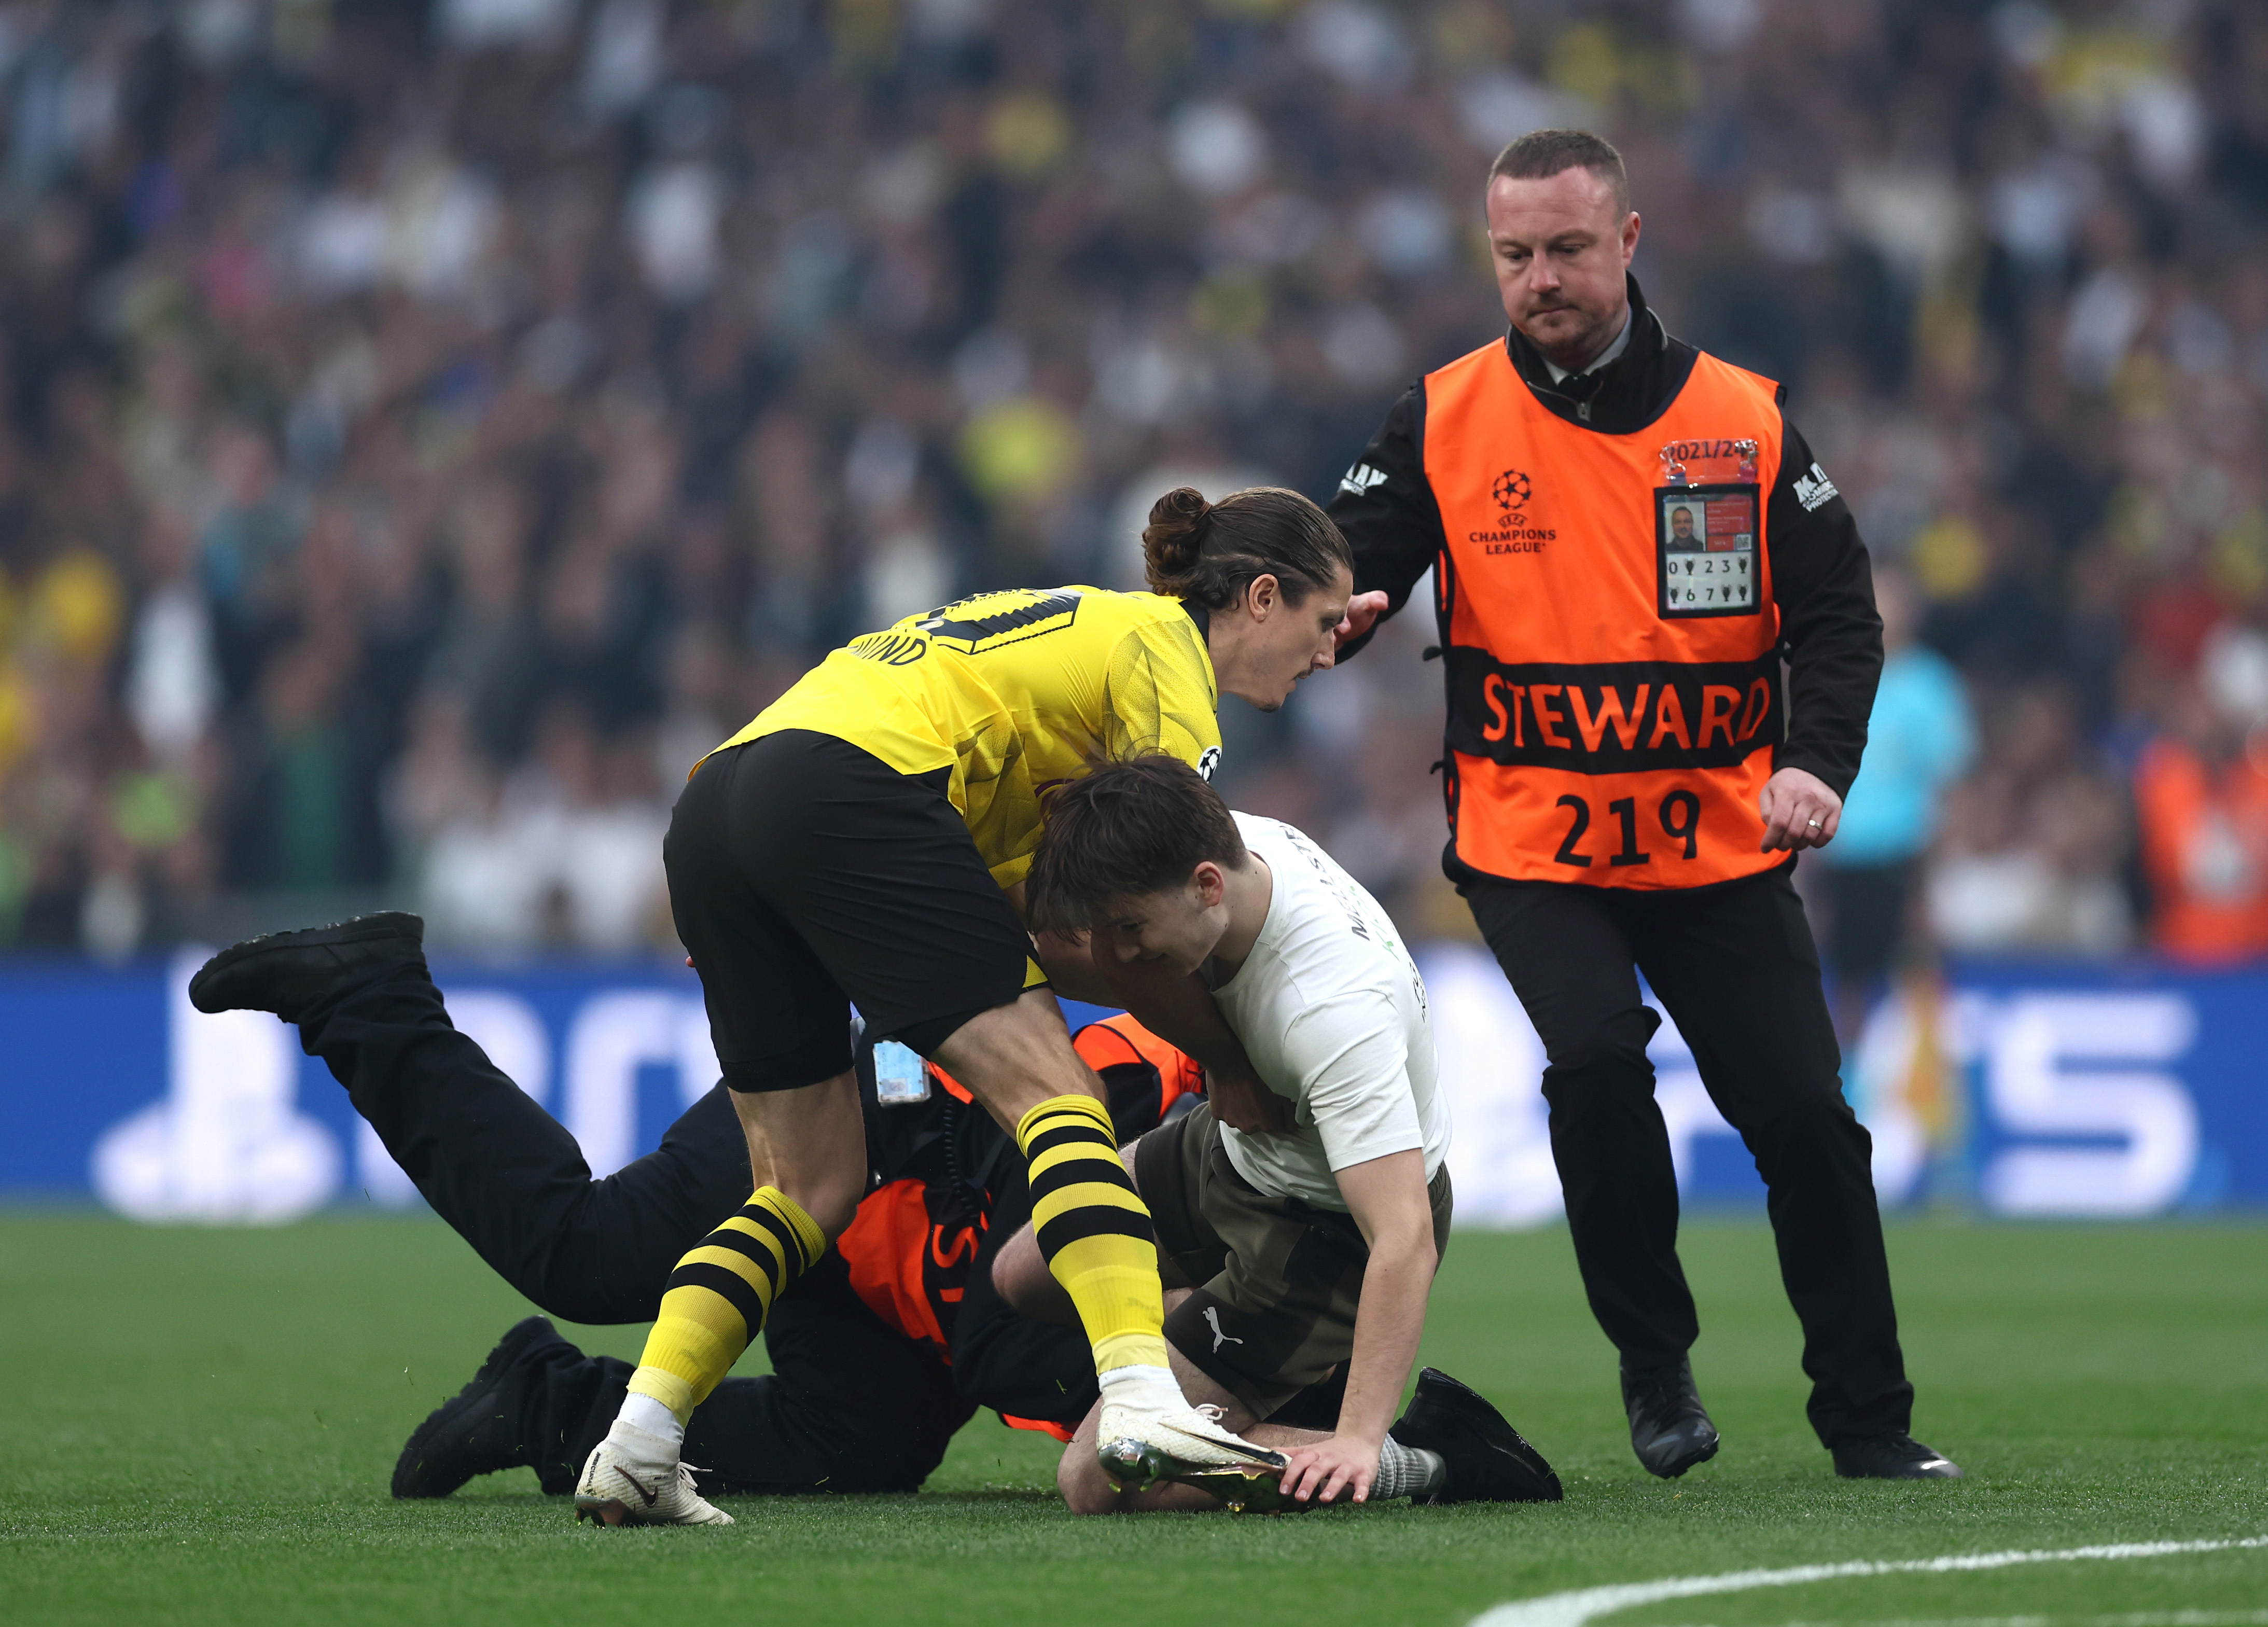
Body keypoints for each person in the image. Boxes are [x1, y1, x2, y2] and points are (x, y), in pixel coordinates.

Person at [1325, 129, 1958, 1481]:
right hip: (1529, 839)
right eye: (1512, 256)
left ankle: (1868, 1421)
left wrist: (1816, 764)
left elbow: (1838, 618)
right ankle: (1651, 1359)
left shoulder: (1741, 417)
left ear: (1625, 240)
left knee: (1803, 1113)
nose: (1538, 278)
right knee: (1598, 1061)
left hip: (1715, 841)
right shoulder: (1438, 417)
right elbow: (1347, 559)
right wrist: (1342, 611)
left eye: (1563, 249)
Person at [581, 484, 1359, 1522]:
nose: (1325, 655)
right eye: (1322, 623)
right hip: (848, 791)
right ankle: (1140, 1397)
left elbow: (1048, 943)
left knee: (805, 1185)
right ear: (1260, 596)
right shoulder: (1164, 651)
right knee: (1062, 1101)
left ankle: (638, 1436)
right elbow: (1170, 904)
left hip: (724, 803)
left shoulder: (1058, 676)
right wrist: (1232, 1058)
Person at [1000, 757, 1560, 1513]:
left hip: (1319, 1239)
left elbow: (1403, 1235)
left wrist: (1360, 1439)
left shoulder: (1331, 1011)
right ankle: (1260, 1363)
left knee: (1102, 1482)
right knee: (1025, 1273)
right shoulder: (1234, 846)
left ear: (1206, 887)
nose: (1120, 955)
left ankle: (1434, 1458)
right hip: (1235, 1152)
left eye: (1131, 930)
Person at [1814, 564, 1976, 1038]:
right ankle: (1848, 1088)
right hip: (1839, 855)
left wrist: (1936, 868)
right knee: (1843, 983)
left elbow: (1953, 783)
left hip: (1902, 854)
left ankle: (1917, 1094)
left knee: (1912, 979)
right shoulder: (1835, 674)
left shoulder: (1931, 687)